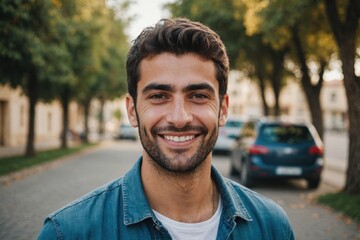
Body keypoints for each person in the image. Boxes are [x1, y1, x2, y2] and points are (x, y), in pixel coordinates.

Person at [38, 18, 295, 240]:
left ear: (223, 109)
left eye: (198, 96)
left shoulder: (272, 227)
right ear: (132, 110)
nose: (179, 118)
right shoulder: (69, 232)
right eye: (159, 96)